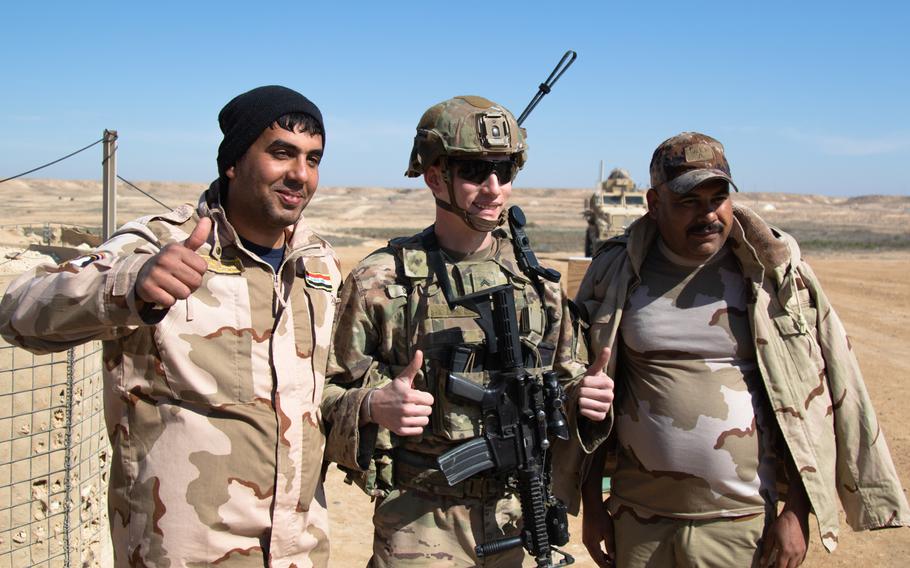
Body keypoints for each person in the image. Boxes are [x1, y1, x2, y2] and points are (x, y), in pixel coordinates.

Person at [0, 85, 341, 567]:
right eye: (281, 153)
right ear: (234, 162)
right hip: (184, 551)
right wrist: (129, 285)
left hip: (298, 551)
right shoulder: (162, 243)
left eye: (313, 158)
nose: (299, 174)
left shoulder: (318, 264)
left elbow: (324, 393)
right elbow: (19, 311)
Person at [571, 132, 909, 567]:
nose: (708, 214)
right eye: (688, 201)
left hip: (746, 525)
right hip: (639, 522)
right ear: (654, 205)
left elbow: (812, 397)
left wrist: (798, 511)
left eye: (718, 197)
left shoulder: (774, 277)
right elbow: (591, 392)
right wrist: (593, 504)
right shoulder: (616, 273)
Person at [321, 95, 614, 567]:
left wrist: (584, 397)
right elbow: (321, 397)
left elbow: (563, 383)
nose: (494, 189)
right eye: (476, 172)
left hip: (514, 516)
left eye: (504, 171)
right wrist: (374, 404)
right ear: (436, 177)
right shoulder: (382, 282)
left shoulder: (538, 287)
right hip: (418, 520)